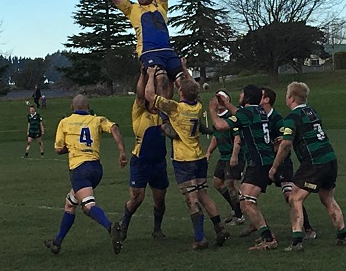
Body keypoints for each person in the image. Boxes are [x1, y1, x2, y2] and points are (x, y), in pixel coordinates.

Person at [146, 65, 230, 250]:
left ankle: (200, 238)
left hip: (184, 159)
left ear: (181, 93)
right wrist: (182, 67)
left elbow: (150, 97)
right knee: (204, 194)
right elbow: (192, 87)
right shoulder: (198, 106)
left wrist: (151, 75)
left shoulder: (176, 108)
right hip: (199, 156)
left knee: (191, 199)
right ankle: (219, 228)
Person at [269, 82, 346, 252]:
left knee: (294, 198)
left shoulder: (292, 117)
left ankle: (297, 241)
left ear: (291, 98)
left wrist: (275, 167)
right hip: (330, 158)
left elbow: (286, 146)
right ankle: (342, 235)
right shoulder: (312, 111)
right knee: (327, 197)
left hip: (314, 162)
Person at [44, 95, 128, 255]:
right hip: (96, 169)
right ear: (88, 106)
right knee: (70, 203)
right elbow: (114, 128)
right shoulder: (97, 120)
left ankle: (111, 228)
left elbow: (58, 149)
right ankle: (56, 242)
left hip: (79, 170)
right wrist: (122, 152)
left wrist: (72, 147)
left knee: (88, 206)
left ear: (71, 107)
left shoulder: (65, 122)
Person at [209, 85, 279, 251]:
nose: (239, 96)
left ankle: (269, 239)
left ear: (246, 98)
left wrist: (212, 110)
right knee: (246, 201)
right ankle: (266, 235)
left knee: (246, 202)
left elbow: (220, 126)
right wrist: (226, 103)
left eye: (241, 94)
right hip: (264, 160)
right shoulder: (258, 111)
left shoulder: (247, 113)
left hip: (259, 162)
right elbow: (238, 112)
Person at [109, 0, 182, 99]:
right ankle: (164, 117)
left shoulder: (161, 6)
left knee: (181, 81)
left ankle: (185, 113)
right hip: (148, 51)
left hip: (167, 49)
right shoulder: (132, 9)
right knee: (161, 79)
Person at [118, 73, 170, 242]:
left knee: (160, 199)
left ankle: (157, 229)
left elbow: (168, 94)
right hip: (140, 162)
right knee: (136, 198)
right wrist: (145, 74)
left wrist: (165, 75)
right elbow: (140, 94)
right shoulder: (139, 112)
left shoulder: (163, 115)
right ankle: (124, 224)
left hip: (159, 163)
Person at [259, 86, 316, 240]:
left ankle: (308, 228)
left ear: (266, 100)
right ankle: (256, 226)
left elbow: (286, 142)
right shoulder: (257, 116)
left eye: (261, 95)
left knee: (290, 196)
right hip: (264, 162)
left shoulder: (277, 119)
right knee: (249, 194)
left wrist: (279, 142)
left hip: (281, 163)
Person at [205, 90, 245, 225]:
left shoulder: (231, 116)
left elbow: (237, 137)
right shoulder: (216, 117)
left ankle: (240, 215)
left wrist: (234, 155)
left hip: (233, 155)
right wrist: (209, 151)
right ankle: (235, 208)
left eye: (220, 98)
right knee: (217, 182)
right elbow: (216, 136)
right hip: (223, 156)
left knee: (231, 184)